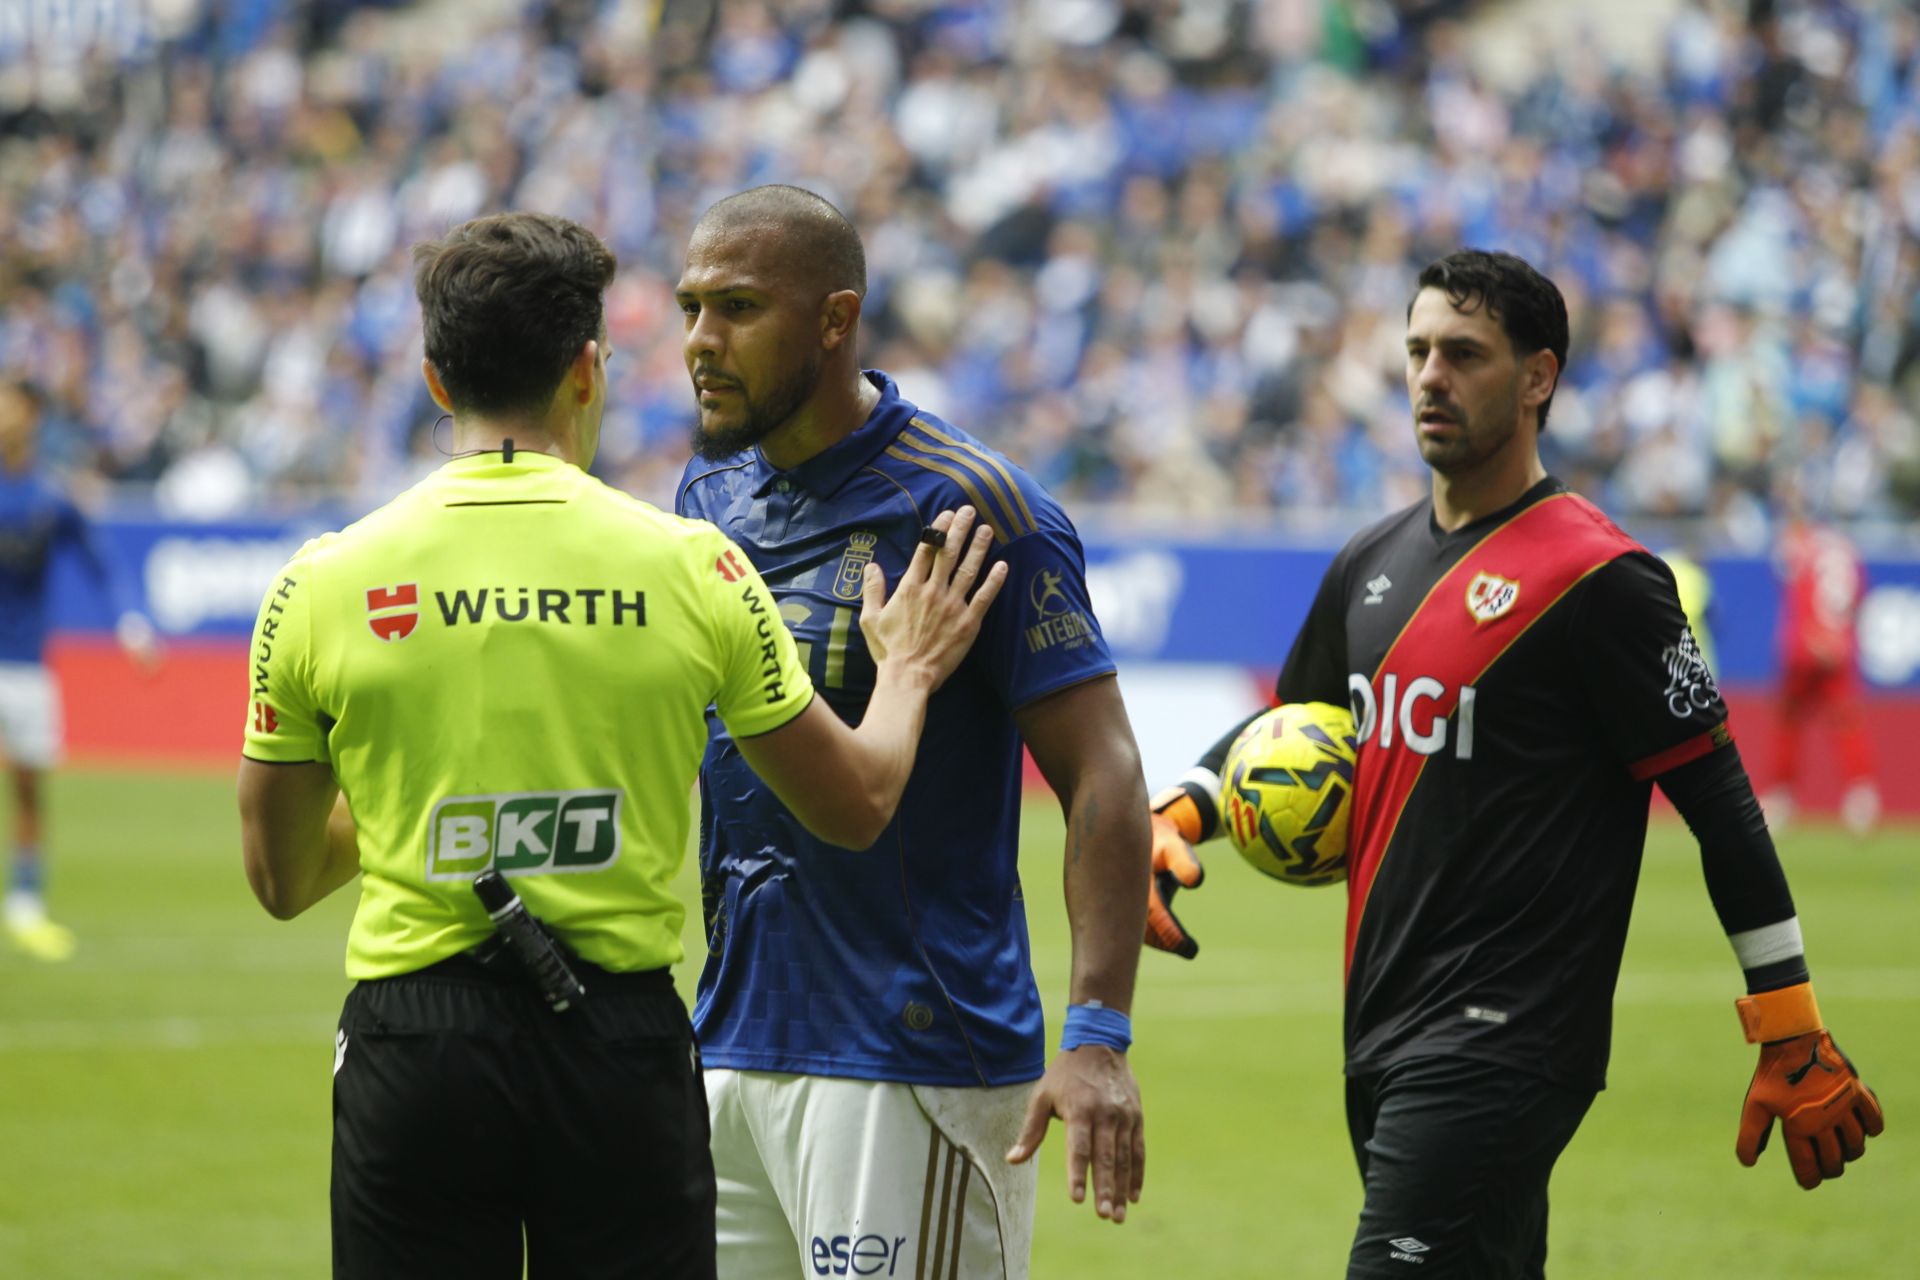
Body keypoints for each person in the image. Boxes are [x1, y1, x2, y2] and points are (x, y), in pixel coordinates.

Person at [235, 211, 1007, 1280]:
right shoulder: (696, 567)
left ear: (433, 378)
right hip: (618, 1042)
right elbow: (857, 800)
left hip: (413, 1049)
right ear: (588, 369)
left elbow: (279, 875)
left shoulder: (319, 582)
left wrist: (434, 794)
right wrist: (911, 674)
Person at [1143, 250, 1885, 1278]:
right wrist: (1182, 807)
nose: (1429, 376)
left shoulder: (1601, 577)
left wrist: (1789, 1019)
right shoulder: (1371, 562)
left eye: (1463, 353)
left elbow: (1719, 800)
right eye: (1416, 352)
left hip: (1506, 1039)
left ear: (1538, 376)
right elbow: (1298, 722)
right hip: (1383, 1025)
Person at [674, 185, 1150, 1278]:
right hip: (730, 1046)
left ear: (836, 319)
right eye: (692, 305)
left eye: (738, 307)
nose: (702, 340)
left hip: (912, 1054)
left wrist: (1099, 1034)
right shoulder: (706, 494)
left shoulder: (977, 505)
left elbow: (1104, 770)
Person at [0, 376, 160, 962]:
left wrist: (130, 624)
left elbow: (102, 562)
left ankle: (24, 903)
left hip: (25, 667)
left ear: (33, 415)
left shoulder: (49, 496)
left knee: (29, 789)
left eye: (11, 403)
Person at [1766, 484, 1880, 833]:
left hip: (1804, 644)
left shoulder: (1801, 546)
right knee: (1847, 722)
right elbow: (1858, 599)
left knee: (1789, 721)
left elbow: (1790, 580)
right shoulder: (1848, 551)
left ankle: (1781, 797)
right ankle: (1860, 798)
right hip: (1838, 646)